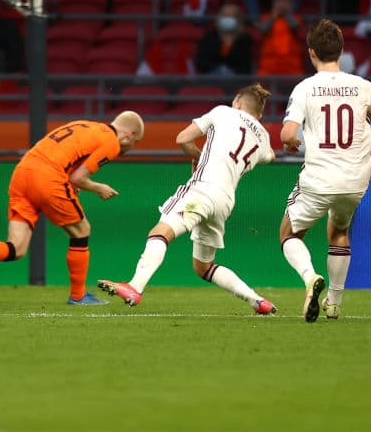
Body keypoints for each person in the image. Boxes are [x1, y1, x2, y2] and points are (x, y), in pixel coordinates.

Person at [98, 84, 279, 314]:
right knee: (203, 267)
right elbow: (270, 156)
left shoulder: (223, 112)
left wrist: (198, 156)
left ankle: (135, 286)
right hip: (224, 202)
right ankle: (257, 301)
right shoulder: (262, 137)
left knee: (161, 231)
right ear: (259, 115)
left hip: (203, 189)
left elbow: (182, 138)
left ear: (238, 103)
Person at [0, 112, 146, 304]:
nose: (131, 147)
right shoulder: (110, 142)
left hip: (22, 173)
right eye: (135, 143)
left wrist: (72, 183)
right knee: (82, 230)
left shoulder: (85, 125)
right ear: (130, 134)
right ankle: (78, 296)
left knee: (17, 247)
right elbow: (78, 178)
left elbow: (69, 162)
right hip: (47, 176)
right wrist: (98, 188)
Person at [279, 20, 371, 322]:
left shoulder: (305, 88)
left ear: (311, 52)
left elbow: (286, 134)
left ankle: (310, 279)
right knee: (339, 231)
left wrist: (292, 141)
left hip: (319, 178)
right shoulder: (362, 86)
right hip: (354, 180)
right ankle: (334, 304)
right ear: (342, 51)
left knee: (289, 233)